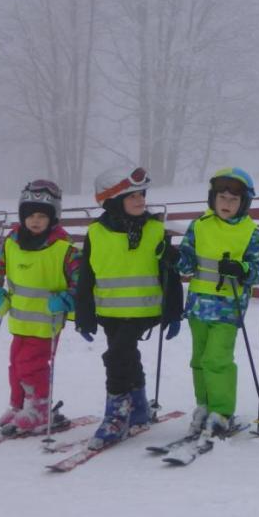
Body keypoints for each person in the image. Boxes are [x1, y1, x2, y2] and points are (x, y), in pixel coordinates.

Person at [75, 166, 184, 449]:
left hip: (146, 310)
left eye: (142, 195)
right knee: (126, 355)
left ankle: (115, 415)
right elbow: (86, 276)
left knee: (116, 357)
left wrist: (174, 312)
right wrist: (83, 315)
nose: (140, 201)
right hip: (109, 311)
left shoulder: (155, 229)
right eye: (132, 196)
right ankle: (137, 407)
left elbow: (170, 274)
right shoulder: (96, 233)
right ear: (113, 201)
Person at [173, 168, 259, 437]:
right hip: (197, 305)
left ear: (244, 203)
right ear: (212, 199)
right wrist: (170, 256)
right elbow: (187, 261)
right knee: (199, 360)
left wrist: (241, 269)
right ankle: (203, 406)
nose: (227, 204)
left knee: (218, 359)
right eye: (222, 198)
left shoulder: (252, 232)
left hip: (228, 306)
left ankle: (222, 412)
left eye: (233, 200)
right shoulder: (200, 225)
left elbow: (257, 272)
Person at [0, 180, 81, 434]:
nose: (35, 220)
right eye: (30, 215)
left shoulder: (64, 249)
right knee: (16, 363)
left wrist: (67, 299)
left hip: (48, 320)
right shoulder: (10, 243)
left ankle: (39, 407)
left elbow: (81, 281)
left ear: (52, 217)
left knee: (30, 364)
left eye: (41, 216)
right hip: (19, 318)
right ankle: (19, 404)